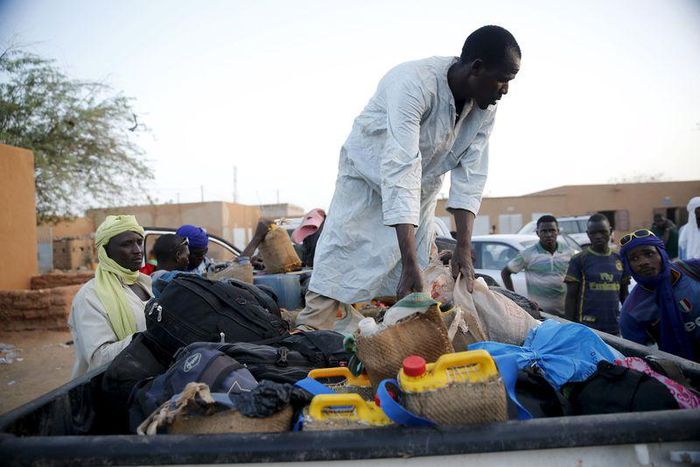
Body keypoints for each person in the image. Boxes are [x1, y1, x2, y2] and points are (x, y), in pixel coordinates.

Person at [297, 26, 521, 330]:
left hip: (420, 188)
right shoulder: (413, 83)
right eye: (503, 80)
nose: (505, 90)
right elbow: (400, 166)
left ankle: (392, 331)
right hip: (367, 176)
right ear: (477, 68)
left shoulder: (485, 106)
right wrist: (409, 259)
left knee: (412, 275)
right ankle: (313, 328)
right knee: (344, 255)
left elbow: (471, 176)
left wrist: (463, 248)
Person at [68, 215, 152, 377]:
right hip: (109, 389)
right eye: (127, 244)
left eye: (139, 242)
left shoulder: (143, 283)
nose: (137, 250)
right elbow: (99, 359)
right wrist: (151, 338)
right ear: (105, 251)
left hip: (144, 382)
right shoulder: (90, 296)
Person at [619, 229, 700, 362]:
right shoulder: (631, 313)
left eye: (649, 253)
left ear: (661, 254)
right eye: (634, 258)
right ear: (628, 266)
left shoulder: (693, 269)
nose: (643, 262)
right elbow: (641, 361)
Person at [564, 214, 629, 334]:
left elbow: (624, 296)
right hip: (587, 327)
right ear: (588, 234)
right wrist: (569, 327)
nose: (598, 236)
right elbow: (571, 297)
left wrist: (630, 321)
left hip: (614, 327)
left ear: (610, 231)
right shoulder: (579, 260)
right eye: (593, 233)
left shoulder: (619, 259)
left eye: (602, 232)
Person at [501, 215, 574, 316]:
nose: (549, 234)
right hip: (540, 314)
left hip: (566, 313)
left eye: (552, 230)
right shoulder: (527, 254)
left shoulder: (568, 252)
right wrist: (515, 299)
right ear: (537, 233)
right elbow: (505, 272)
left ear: (558, 231)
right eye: (544, 231)